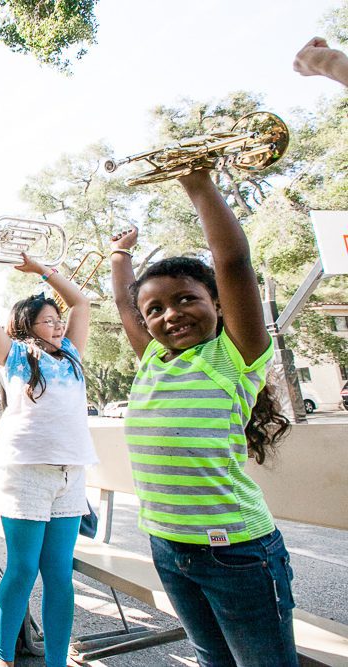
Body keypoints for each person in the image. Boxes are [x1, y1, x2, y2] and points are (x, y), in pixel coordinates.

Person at [109, 170, 294, 666]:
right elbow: (127, 307)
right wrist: (119, 256)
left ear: (216, 302)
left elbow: (233, 262)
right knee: (213, 660)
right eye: (156, 310)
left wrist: (198, 184)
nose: (170, 314)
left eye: (186, 298)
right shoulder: (153, 359)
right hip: (169, 547)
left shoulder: (233, 357)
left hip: (236, 553)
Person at [0, 249, 95, 667]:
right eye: (48, 321)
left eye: (58, 320)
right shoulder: (15, 356)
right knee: (21, 571)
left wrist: (42, 271)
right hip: (25, 476)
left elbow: (82, 302)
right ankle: (5, 658)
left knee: (58, 574)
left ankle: (56, 661)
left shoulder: (72, 353)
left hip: (70, 476)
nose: (58, 326)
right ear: (26, 327)